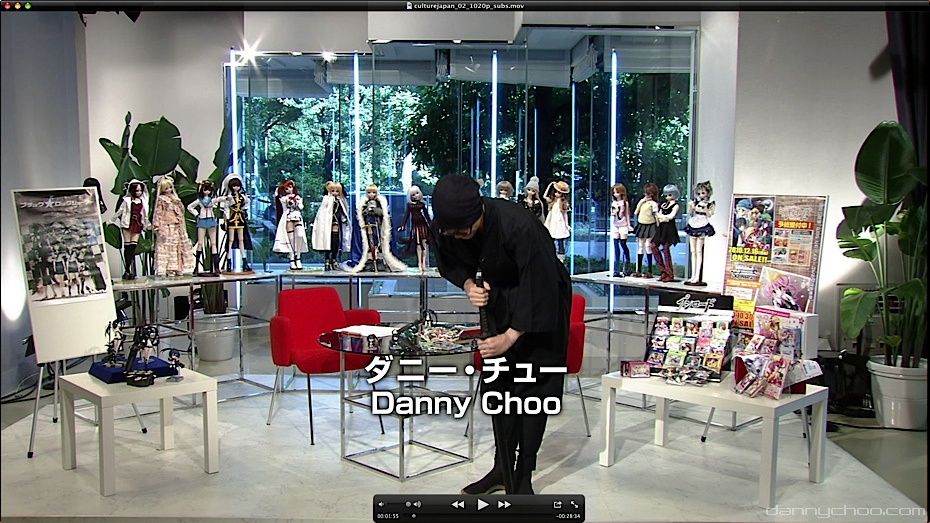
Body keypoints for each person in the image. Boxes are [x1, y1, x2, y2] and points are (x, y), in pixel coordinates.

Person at [430, 174, 571, 496]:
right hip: (500, 299)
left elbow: (540, 282)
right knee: (500, 387)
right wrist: (468, 284)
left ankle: (523, 476)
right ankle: (501, 468)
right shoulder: (447, 226)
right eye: (452, 232)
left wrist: (510, 336)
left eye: (464, 231)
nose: (459, 237)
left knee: (533, 391)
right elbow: (449, 260)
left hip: (543, 300)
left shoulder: (519, 225)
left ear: (479, 210)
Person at [351, 184, 406, 273]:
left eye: (373, 192)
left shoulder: (381, 203)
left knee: (378, 244)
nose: (371, 194)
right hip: (368, 229)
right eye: (369, 192)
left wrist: (377, 211)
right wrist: (366, 212)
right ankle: (369, 262)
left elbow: (384, 215)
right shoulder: (363, 204)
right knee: (369, 244)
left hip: (378, 228)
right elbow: (360, 216)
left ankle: (379, 261)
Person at [152, 175, 195, 277]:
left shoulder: (175, 199)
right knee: (166, 246)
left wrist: (178, 203)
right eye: (166, 188)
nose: (169, 190)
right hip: (166, 226)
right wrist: (158, 226)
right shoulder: (161, 200)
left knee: (176, 246)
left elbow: (181, 212)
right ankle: (166, 269)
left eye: (170, 187)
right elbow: (158, 213)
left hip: (176, 226)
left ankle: (177, 267)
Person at [111, 179, 150, 280]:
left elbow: (145, 215)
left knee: (133, 247)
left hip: (137, 224)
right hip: (127, 224)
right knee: (127, 247)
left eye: (140, 190)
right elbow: (120, 211)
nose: (139, 192)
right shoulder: (127, 200)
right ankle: (127, 270)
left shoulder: (144, 201)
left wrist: (147, 225)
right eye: (137, 191)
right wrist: (112, 220)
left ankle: (128, 270)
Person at [187, 180, 223, 276]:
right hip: (202, 221)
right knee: (200, 243)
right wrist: (196, 214)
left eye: (209, 190)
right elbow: (189, 207)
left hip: (211, 220)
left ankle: (216, 267)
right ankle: (196, 268)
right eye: (205, 190)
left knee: (213, 243)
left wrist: (227, 198)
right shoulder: (199, 200)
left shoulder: (212, 200)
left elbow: (219, 199)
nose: (207, 192)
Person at [684, 181, 716, 286]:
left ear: (707, 193)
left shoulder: (710, 204)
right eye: (699, 193)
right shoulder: (695, 202)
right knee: (693, 251)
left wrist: (705, 209)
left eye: (703, 193)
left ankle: (697, 276)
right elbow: (689, 212)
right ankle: (693, 275)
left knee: (699, 251)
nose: (701, 195)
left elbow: (710, 214)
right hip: (694, 223)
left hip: (703, 224)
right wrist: (691, 206)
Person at [220, 173, 253, 273]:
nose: (236, 187)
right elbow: (225, 208)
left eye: (238, 186)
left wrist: (244, 211)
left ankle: (245, 262)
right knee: (230, 241)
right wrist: (226, 219)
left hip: (240, 219)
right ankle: (229, 262)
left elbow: (247, 203)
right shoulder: (229, 197)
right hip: (232, 219)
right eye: (234, 186)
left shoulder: (243, 196)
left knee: (241, 240)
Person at [273, 179, 309, 270]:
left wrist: (296, 202)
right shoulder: (283, 198)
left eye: (290, 187)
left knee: (300, 235)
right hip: (288, 217)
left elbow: (301, 207)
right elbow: (282, 203)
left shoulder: (298, 197)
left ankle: (298, 256)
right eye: (286, 188)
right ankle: (292, 258)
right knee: (291, 238)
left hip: (297, 216)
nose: (289, 189)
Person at [397, 185, 432, 272]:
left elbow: (427, 216)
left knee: (425, 245)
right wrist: (402, 225)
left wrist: (431, 225)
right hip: (416, 227)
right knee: (418, 245)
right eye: (413, 195)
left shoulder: (422, 205)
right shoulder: (410, 206)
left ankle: (423, 263)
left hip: (423, 226)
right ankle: (419, 263)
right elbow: (406, 216)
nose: (416, 196)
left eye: (417, 193)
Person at [652, 184, 681, 283]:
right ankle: (663, 270)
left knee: (666, 250)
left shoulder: (675, 205)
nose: (668, 197)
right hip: (661, 228)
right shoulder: (664, 204)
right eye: (666, 195)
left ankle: (669, 273)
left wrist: (662, 217)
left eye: (670, 194)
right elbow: (658, 215)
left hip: (669, 230)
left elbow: (670, 217)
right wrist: (662, 217)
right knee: (653, 246)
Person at [631, 182, 659, 277]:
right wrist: (641, 202)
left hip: (650, 226)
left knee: (648, 246)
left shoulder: (654, 204)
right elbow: (636, 212)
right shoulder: (642, 202)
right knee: (640, 246)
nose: (647, 195)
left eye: (649, 193)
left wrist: (658, 227)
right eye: (646, 193)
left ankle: (649, 270)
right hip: (641, 225)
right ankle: (638, 270)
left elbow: (656, 215)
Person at [543, 180, 571, 262]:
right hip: (552, 223)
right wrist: (550, 185)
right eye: (555, 192)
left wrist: (566, 225)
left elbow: (565, 215)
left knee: (560, 241)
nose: (556, 193)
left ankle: (561, 259)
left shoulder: (563, 203)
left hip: (559, 223)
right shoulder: (553, 201)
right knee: (551, 239)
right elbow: (544, 196)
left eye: (558, 192)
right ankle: (551, 257)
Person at [610, 183, 631, 277]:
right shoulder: (614, 203)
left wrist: (629, 225)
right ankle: (616, 270)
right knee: (616, 246)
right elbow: (612, 213)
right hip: (616, 224)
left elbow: (626, 215)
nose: (615, 194)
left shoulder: (625, 203)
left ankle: (627, 266)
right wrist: (614, 211)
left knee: (623, 244)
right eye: (614, 193)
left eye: (617, 192)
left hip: (623, 225)